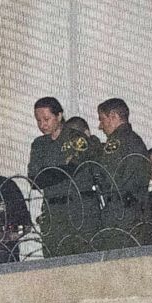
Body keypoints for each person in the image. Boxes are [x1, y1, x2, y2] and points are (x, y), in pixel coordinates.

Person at [27, 96, 100, 257]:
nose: (42, 125)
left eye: (46, 119)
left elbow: (72, 169)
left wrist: (50, 172)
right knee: (55, 261)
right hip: (53, 213)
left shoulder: (76, 138)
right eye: (38, 120)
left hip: (79, 210)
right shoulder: (39, 145)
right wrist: (59, 171)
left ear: (59, 116)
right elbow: (34, 180)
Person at [93, 98, 152, 249]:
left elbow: (106, 174)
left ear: (113, 116)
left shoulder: (116, 142)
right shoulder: (134, 140)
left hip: (120, 213)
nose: (100, 126)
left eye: (102, 119)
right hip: (136, 210)